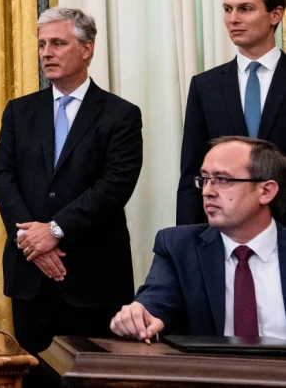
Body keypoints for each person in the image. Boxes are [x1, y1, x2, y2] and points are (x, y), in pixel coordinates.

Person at [0, 7, 143, 387]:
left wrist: (55, 231)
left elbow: (114, 186)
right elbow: (2, 177)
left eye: (58, 43)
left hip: (92, 277)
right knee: (34, 380)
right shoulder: (19, 111)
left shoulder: (120, 115)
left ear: (87, 49)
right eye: (42, 44)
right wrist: (33, 242)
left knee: (91, 381)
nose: (47, 52)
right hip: (31, 277)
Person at [112, 136, 286, 340]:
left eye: (223, 180)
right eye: (204, 180)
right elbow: (156, 301)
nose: (207, 191)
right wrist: (140, 315)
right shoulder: (179, 247)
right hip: (209, 370)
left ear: (266, 191)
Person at [178, 0, 286, 225]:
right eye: (228, 9)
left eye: (245, 9)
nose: (233, 19)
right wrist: (187, 242)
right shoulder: (206, 85)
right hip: (225, 230)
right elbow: (192, 171)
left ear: (276, 14)